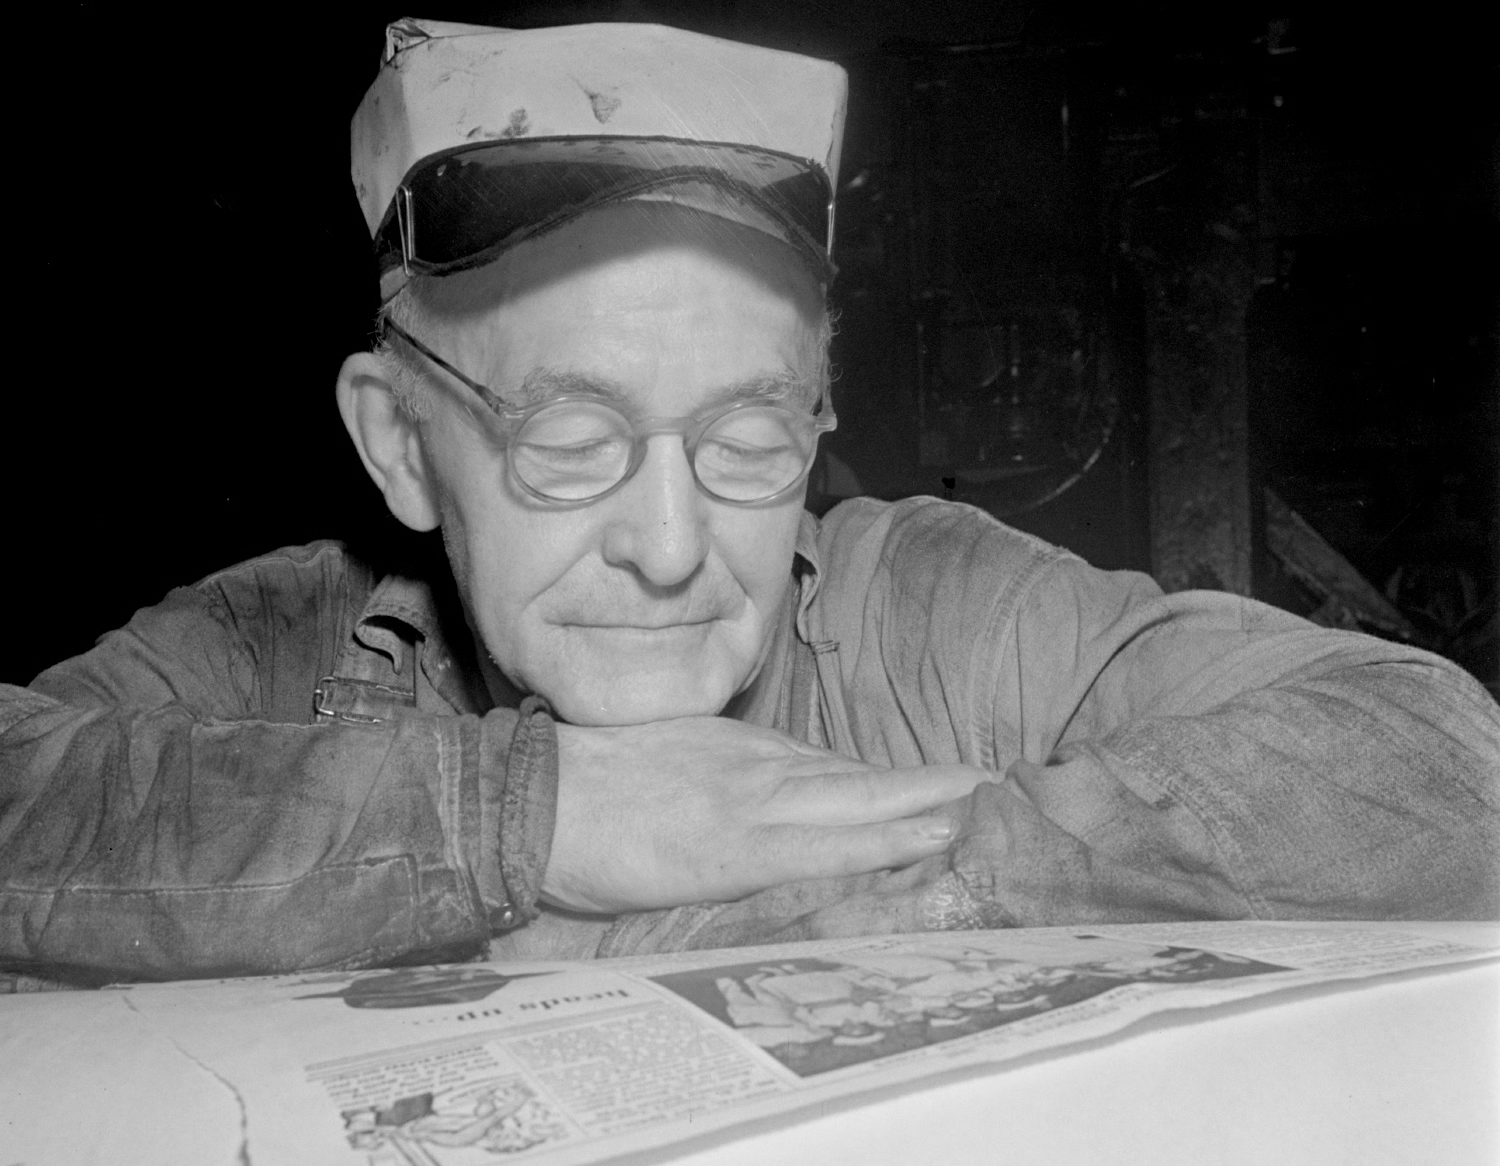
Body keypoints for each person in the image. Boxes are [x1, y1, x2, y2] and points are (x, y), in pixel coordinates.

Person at [1, 20, 1496, 988]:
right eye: (570, 438)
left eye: (747, 437)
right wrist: (529, 819)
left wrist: (874, 885)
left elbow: (1445, 762)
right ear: (399, 442)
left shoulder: (926, 606)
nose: (669, 548)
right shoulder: (287, 641)